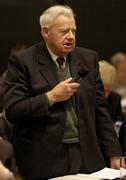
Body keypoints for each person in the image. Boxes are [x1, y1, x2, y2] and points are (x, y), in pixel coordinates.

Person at [3, 5, 122, 180]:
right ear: (45, 32)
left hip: (87, 156)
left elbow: (100, 111)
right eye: (64, 31)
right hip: (42, 159)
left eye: (74, 31)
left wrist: (113, 152)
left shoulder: (88, 58)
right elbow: (13, 110)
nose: (71, 37)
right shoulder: (23, 62)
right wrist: (51, 97)